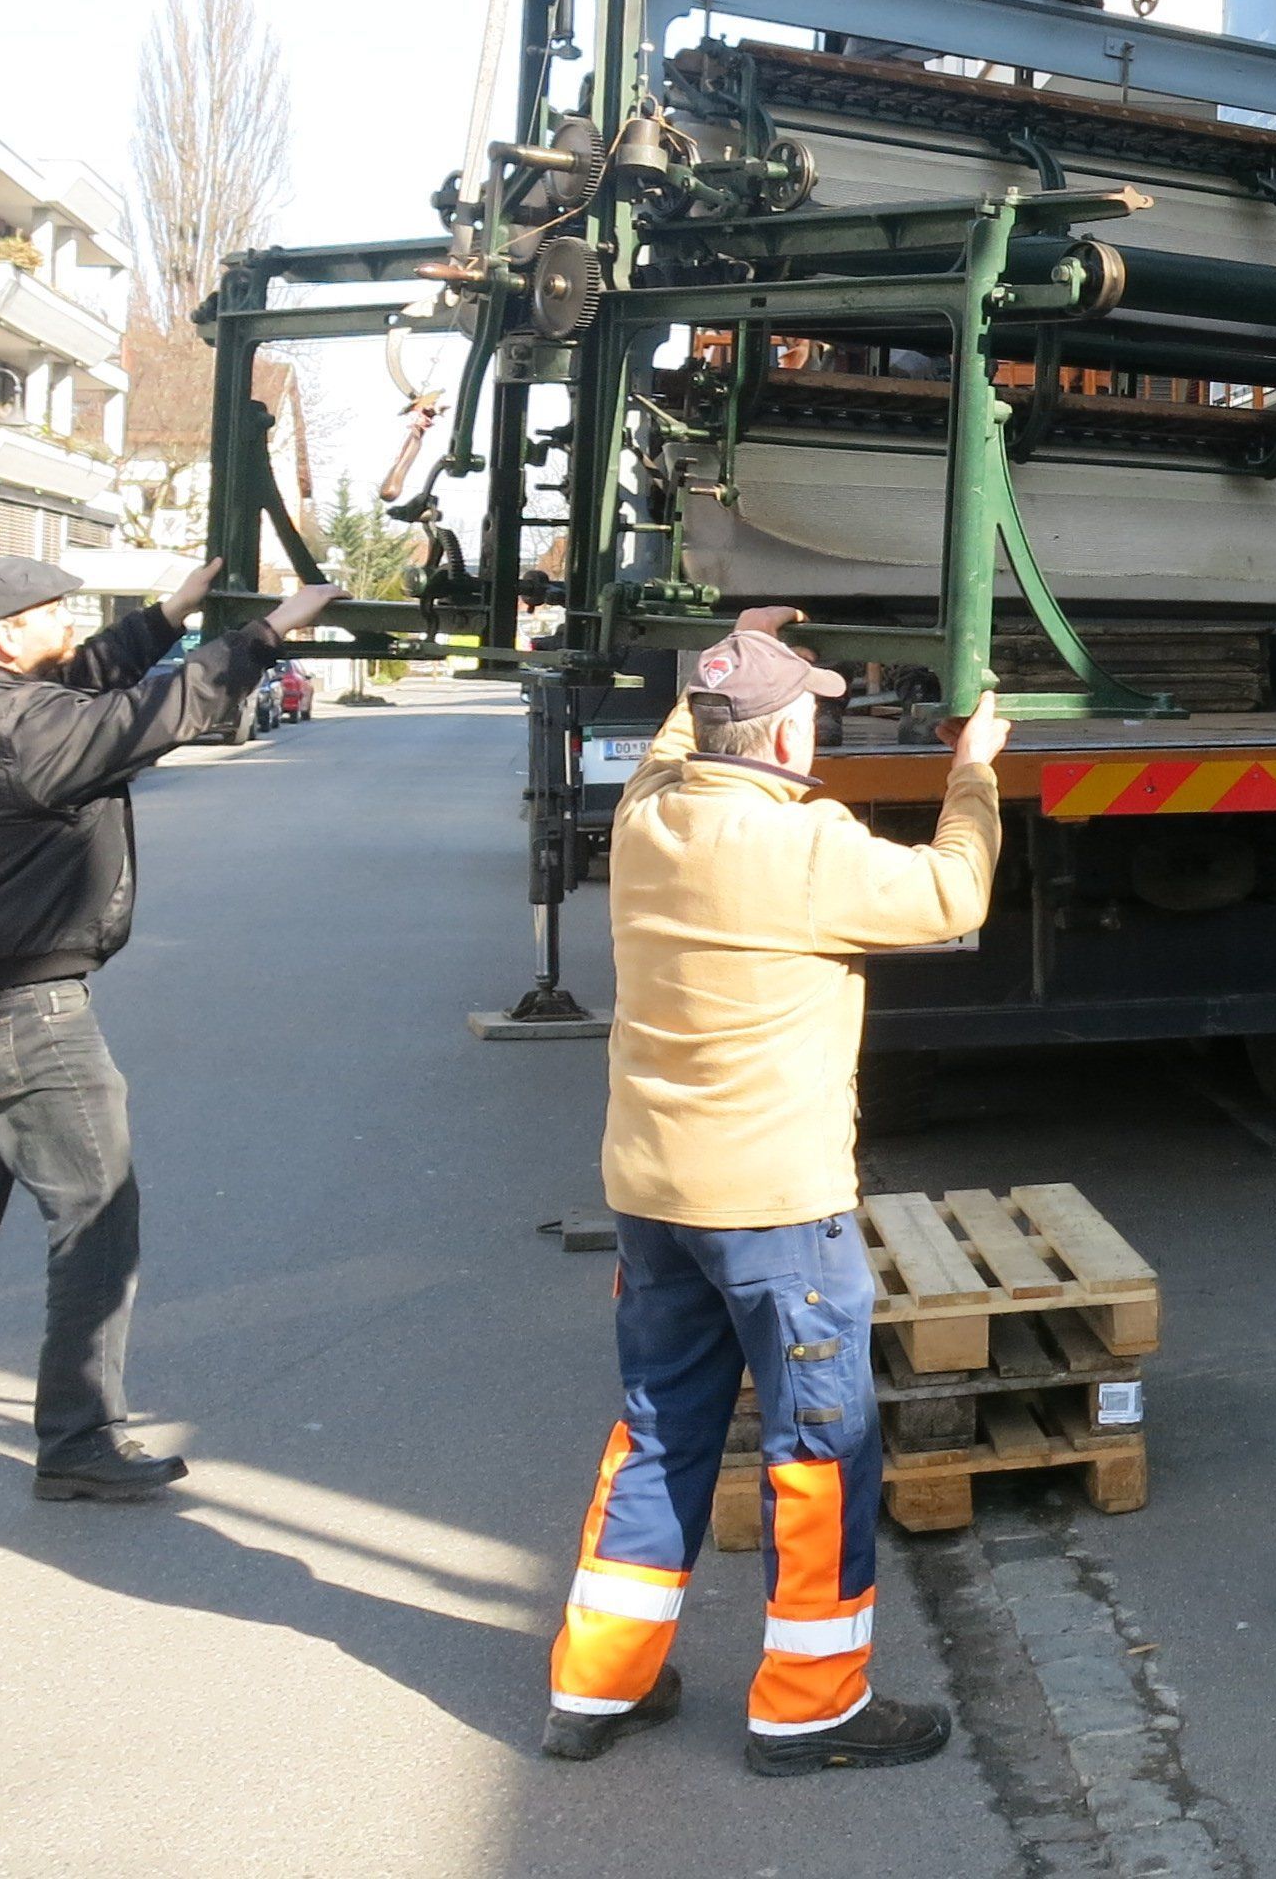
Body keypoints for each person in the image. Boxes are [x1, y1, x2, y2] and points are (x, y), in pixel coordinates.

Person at [542, 613, 1011, 1776]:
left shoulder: (650, 818)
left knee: (658, 1431)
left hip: (651, 1197)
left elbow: (668, 742)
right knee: (819, 1448)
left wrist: (722, 650)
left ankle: (597, 1688)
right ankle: (809, 1705)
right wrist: (974, 773)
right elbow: (954, 894)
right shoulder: (806, 849)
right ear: (792, 733)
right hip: (774, 1211)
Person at [0, 551, 339, 1499]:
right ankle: (78, 1443)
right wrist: (269, 634)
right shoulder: (24, 734)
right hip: (23, 1015)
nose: (68, 620)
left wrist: (169, 612)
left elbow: (88, 686)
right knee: (96, 1217)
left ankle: (77, 1438)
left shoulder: (7, 708)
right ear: (3, 635)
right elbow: (154, 712)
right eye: (51, 610)